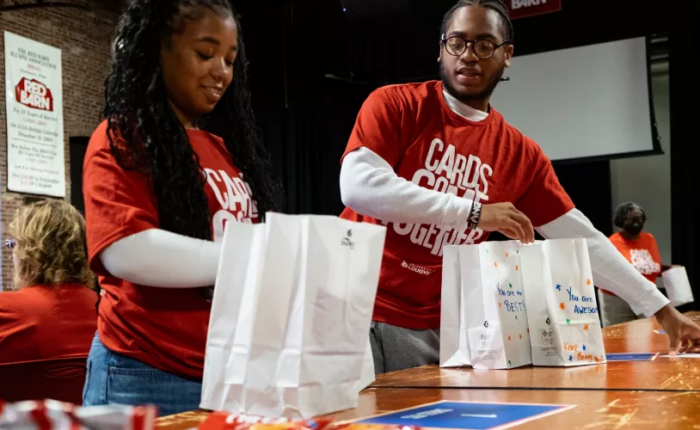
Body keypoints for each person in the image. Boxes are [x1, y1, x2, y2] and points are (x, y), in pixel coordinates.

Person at [339, 0, 700, 374]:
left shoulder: (520, 155)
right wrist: (475, 212)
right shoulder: (395, 104)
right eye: (457, 42)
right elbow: (359, 186)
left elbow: (583, 239)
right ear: (441, 48)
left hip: (434, 327)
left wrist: (661, 309)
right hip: (352, 308)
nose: (468, 56)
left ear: (506, 54)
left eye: (483, 45)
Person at [82, 0, 284, 415]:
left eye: (230, 59)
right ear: (157, 49)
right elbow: (126, 250)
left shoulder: (227, 151)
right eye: (205, 54)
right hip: (144, 372)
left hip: (225, 371)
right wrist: (256, 254)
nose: (221, 72)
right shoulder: (122, 138)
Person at [0, 200, 97, 365]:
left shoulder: (6, 310)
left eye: (14, 244)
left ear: (28, 250)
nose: (12, 253)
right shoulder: (105, 309)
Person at [599, 203, 671, 327]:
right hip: (617, 298)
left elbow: (652, 266)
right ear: (621, 221)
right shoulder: (612, 242)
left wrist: (667, 269)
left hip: (644, 295)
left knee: (648, 334)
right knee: (618, 335)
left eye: (640, 219)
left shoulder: (649, 239)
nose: (637, 222)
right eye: (632, 219)